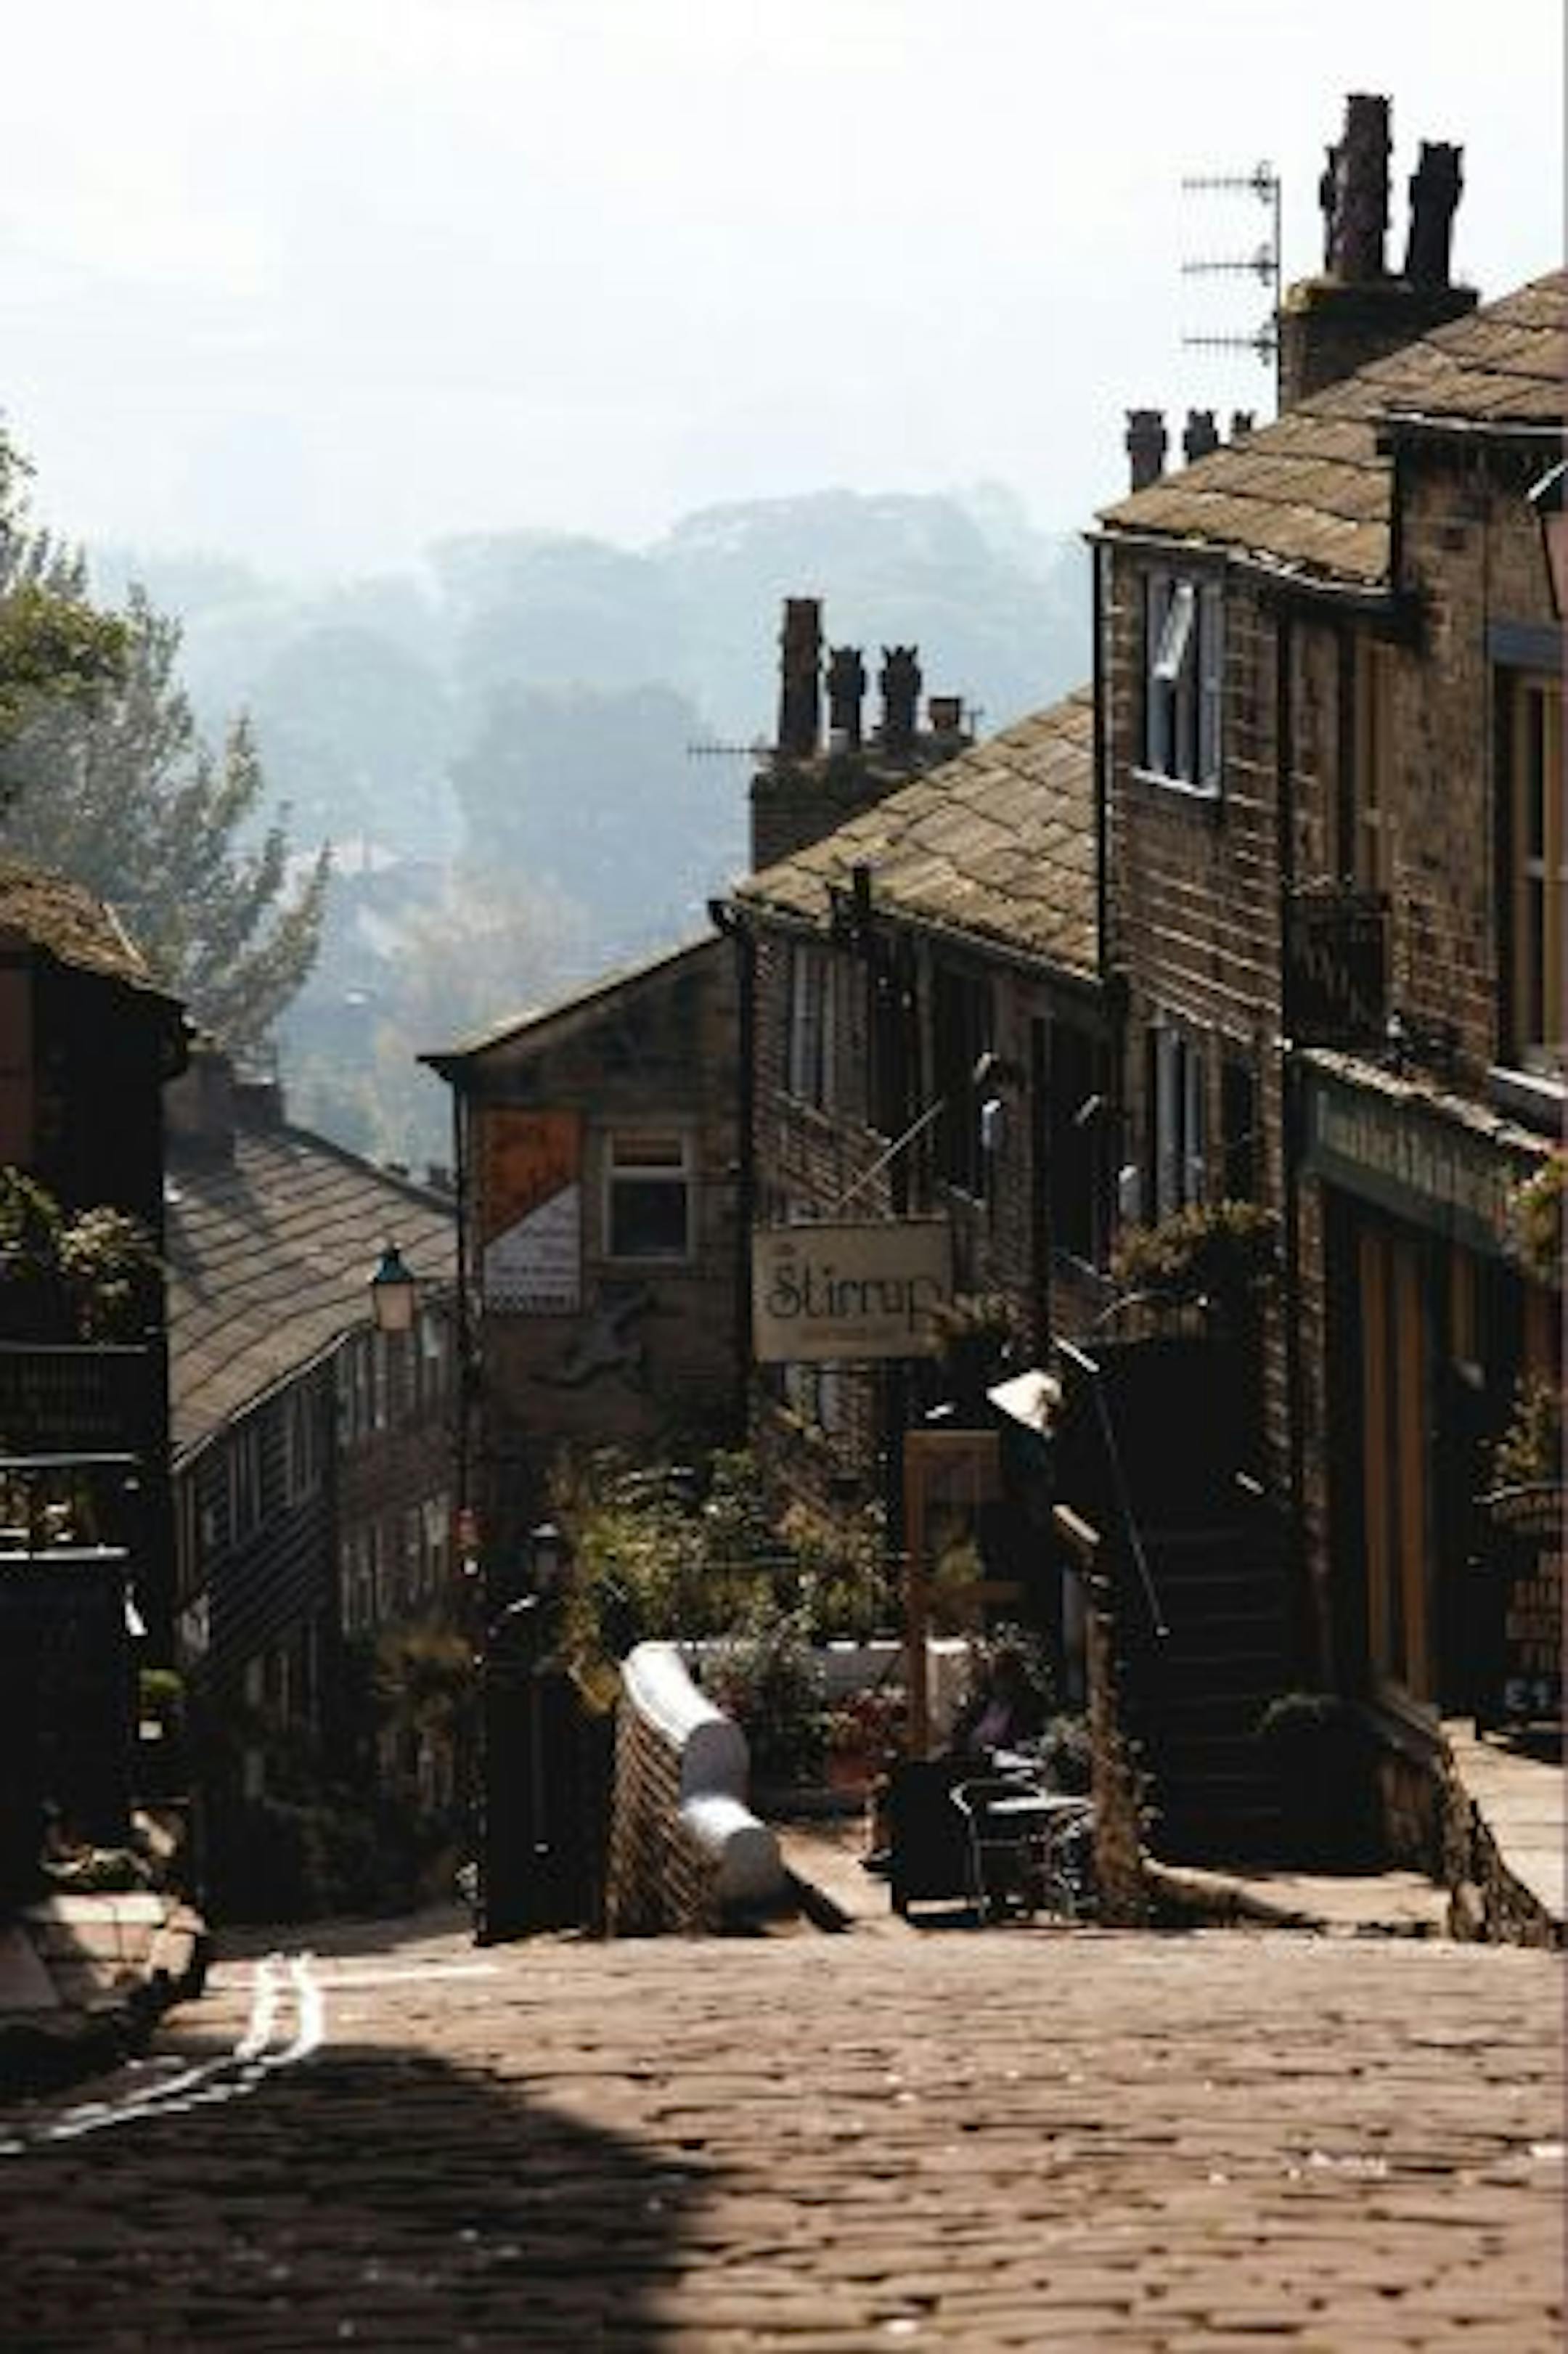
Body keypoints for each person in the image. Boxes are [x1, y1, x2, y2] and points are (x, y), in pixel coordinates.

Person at [947, 1641, 1047, 1761]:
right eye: (996, 1676)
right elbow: (959, 1734)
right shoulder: (982, 1703)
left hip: (1004, 1770)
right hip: (969, 1765)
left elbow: (1026, 1746)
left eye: (1006, 1676)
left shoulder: (1030, 1707)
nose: (1000, 1683)